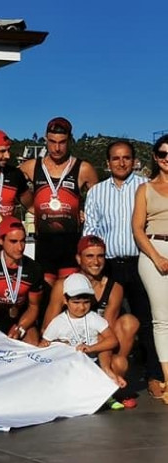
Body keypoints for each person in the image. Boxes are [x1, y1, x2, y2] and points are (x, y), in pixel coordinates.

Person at [83, 140, 163, 399]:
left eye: (126, 158)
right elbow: (91, 229)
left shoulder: (144, 186)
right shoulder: (96, 192)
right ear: (107, 163)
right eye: (116, 158)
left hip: (141, 262)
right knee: (107, 321)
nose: (121, 162)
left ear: (134, 160)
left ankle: (154, 375)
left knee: (150, 321)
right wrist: (90, 264)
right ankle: (107, 373)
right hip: (110, 265)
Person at [42, 235, 139, 403]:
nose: (96, 261)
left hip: (98, 349)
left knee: (129, 324)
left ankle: (112, 379)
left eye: (100, 256)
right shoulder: (62, 285)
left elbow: (106, 333)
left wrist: (106, 366)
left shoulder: (114, 288)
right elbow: (47, 328)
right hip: (69, 349)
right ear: (79, 259)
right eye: (90, 256)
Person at [19, 117, 99, 287]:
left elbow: (99, 204)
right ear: (45, 139)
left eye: (62, 142)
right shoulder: (31, 166)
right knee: (45, 293)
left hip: (71, 243)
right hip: (44, 243)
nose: (56, 148)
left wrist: (85, 211)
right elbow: (11, 184)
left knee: (69, 291)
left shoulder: (84, 168)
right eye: (52, 141)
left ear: (70, 140)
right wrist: (33, 207)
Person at [41, 273, 124, 388]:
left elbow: (112, 340)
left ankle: (107, 392)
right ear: (65, 300)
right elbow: (43, 344)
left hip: (94, 362)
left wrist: (91, 348)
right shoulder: (57, 322)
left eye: (86, 302)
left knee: (117, 362)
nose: (81, 307)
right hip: (70, 365)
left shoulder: (93, 317)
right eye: (76, 302)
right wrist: (48, 345)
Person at [133, 134, 168, 404]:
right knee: (162, 319)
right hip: (154, 250)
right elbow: (137, 228)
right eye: (163, 154)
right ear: (156, 158)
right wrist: (156, 257)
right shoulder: (145, 189)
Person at [0, 129, 33, 221]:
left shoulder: (15, 174)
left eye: (8, 151)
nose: (7, 156)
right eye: (2, 151)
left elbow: (31, 206)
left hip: (7, 233)